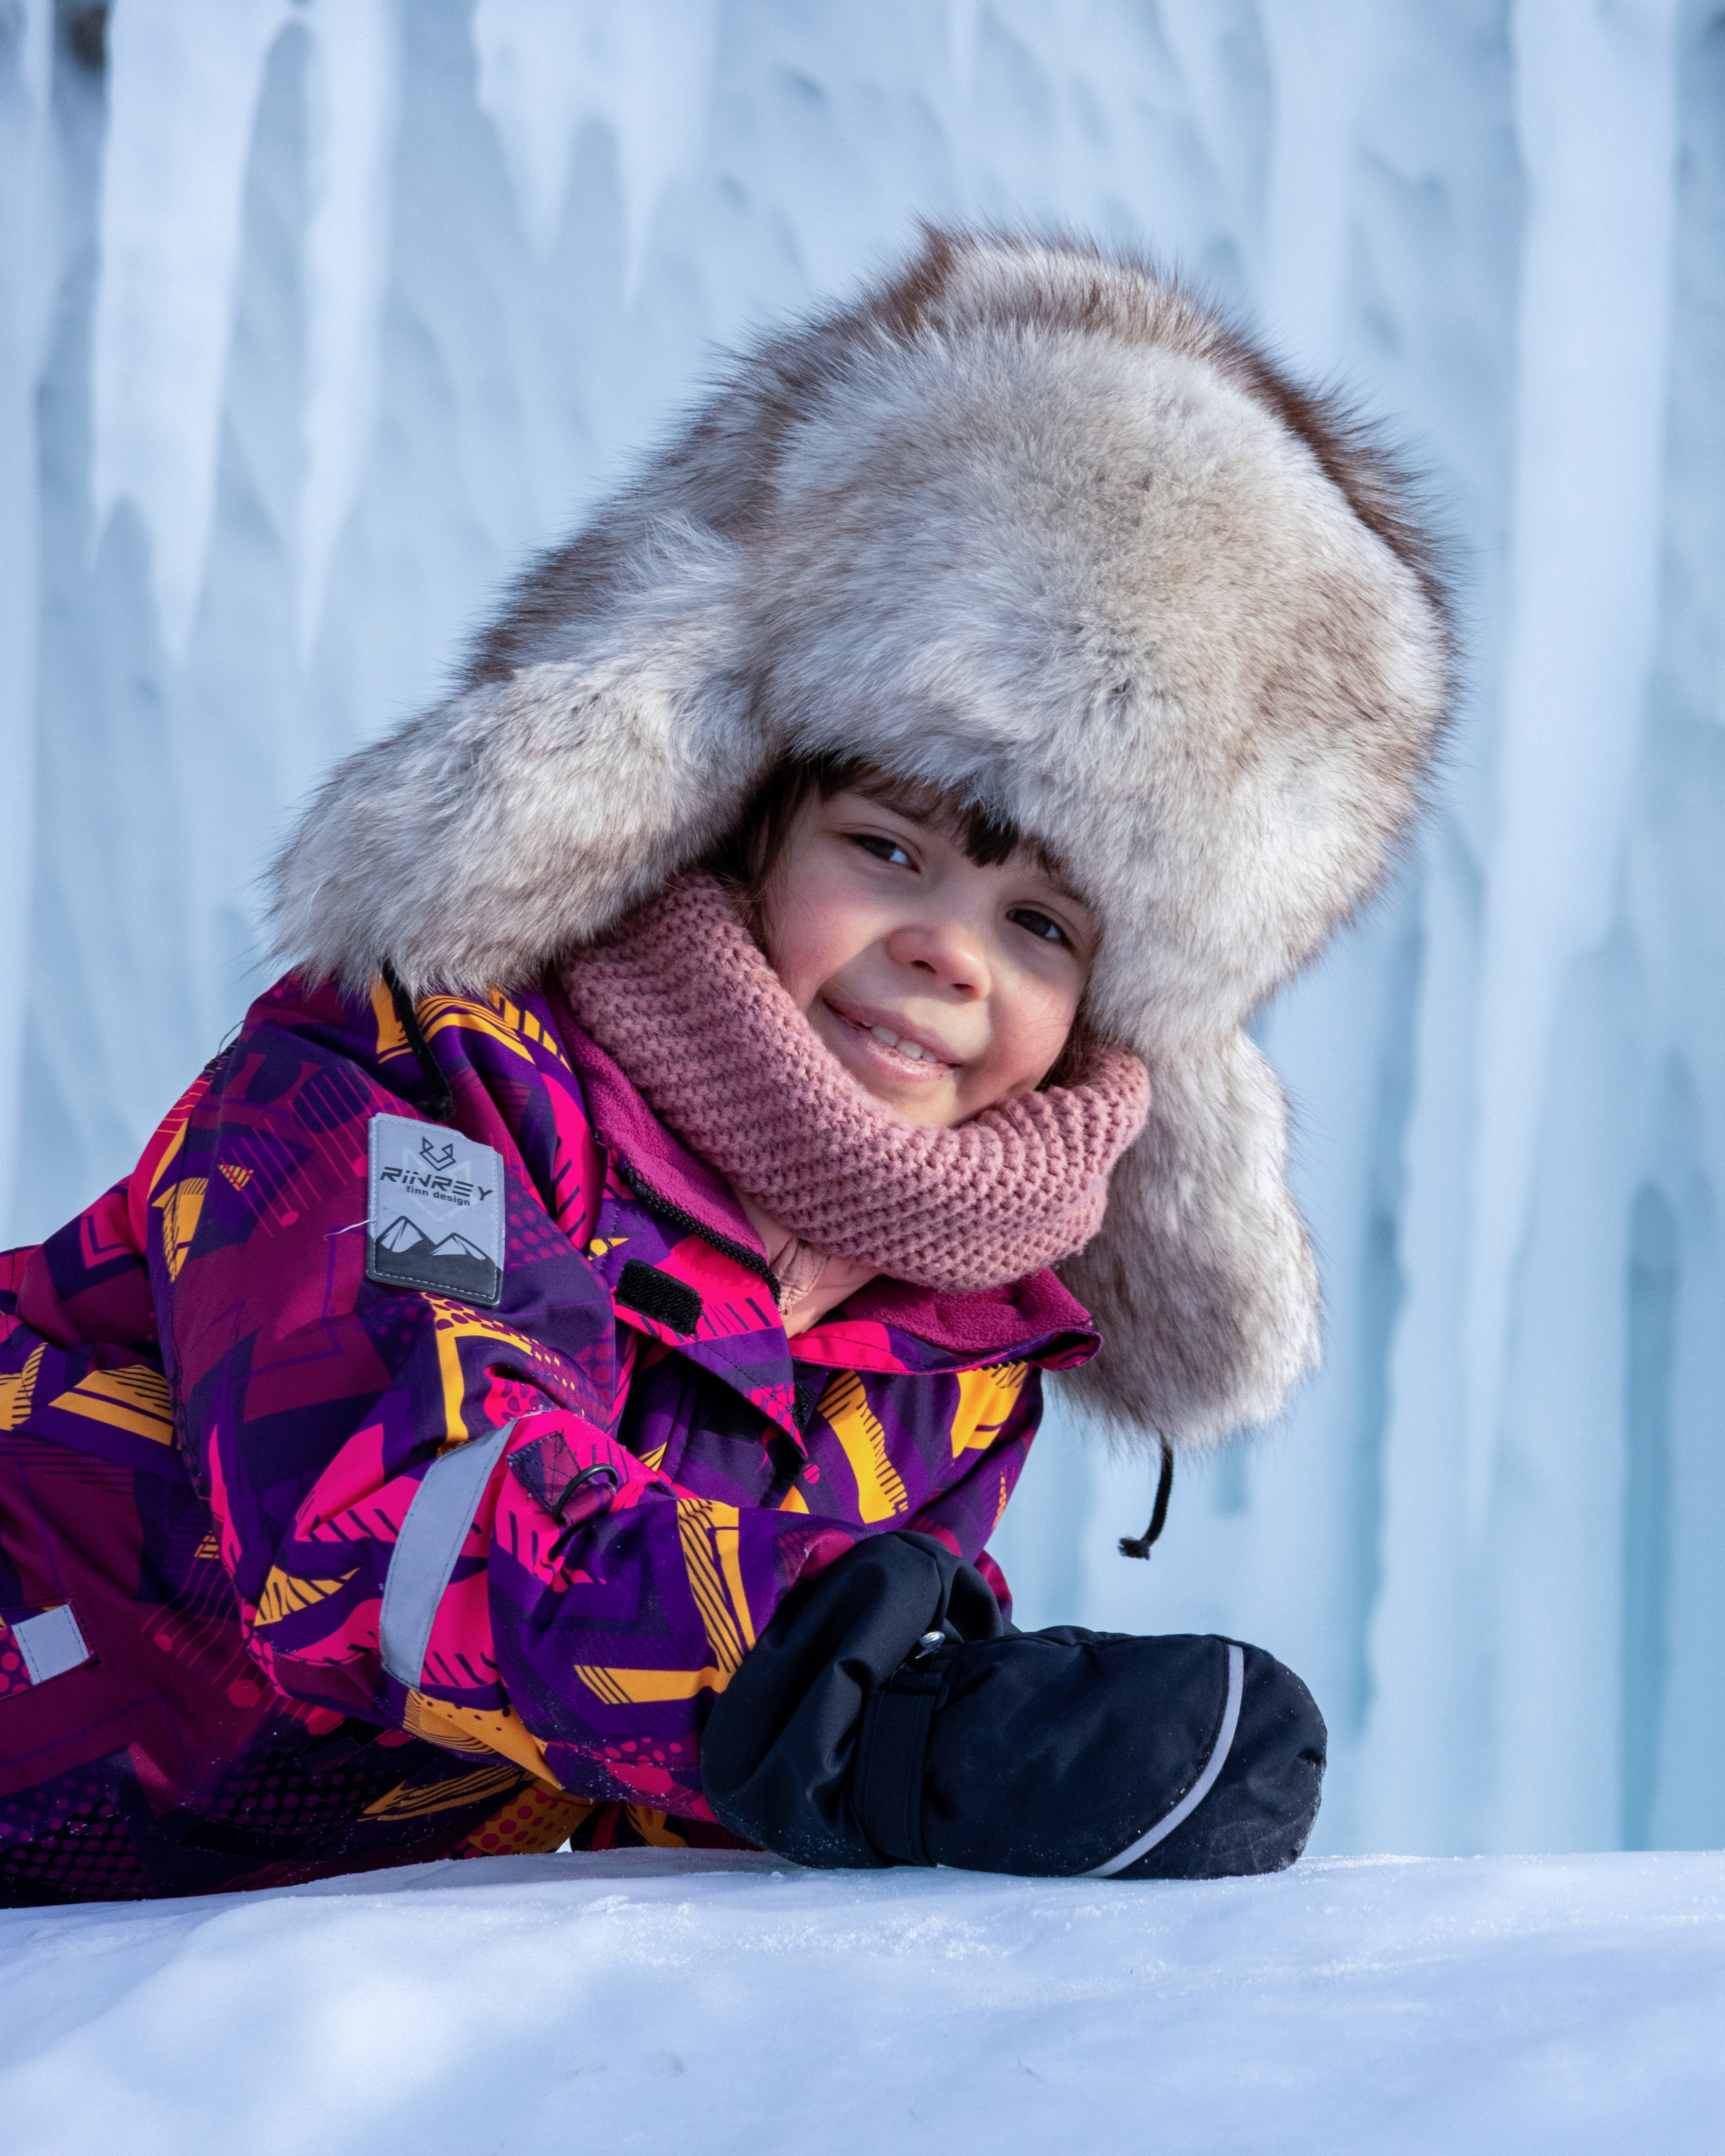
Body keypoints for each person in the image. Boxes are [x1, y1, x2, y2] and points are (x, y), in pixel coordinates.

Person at [0, 231, 1449, 1903]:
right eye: (888, 847)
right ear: (736, 826)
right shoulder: (417, 1103)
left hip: (213, 1955)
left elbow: (706, 1792)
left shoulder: (959, 1348)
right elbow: (395, 1521)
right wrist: (873, 1712)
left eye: (1042, 923)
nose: (950, 949)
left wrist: (953, 1755)